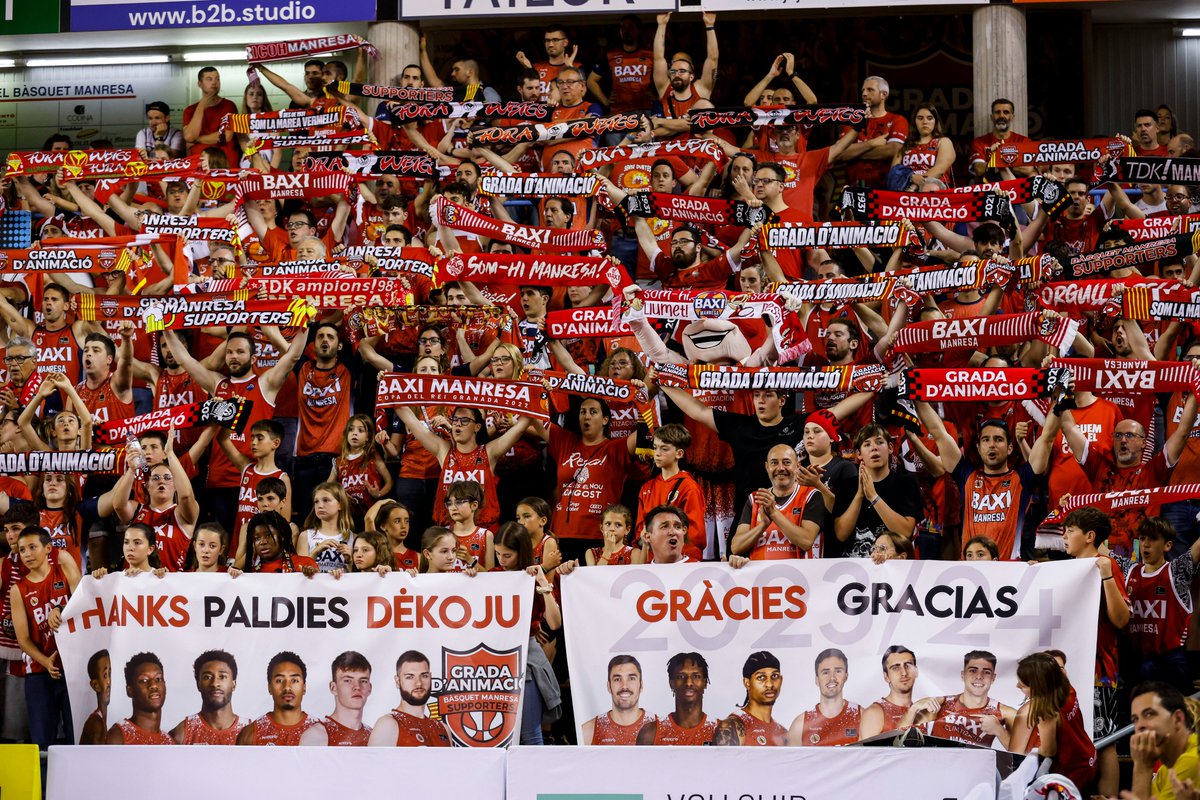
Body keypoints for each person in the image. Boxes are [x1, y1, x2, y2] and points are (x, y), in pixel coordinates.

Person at [1060, 506, 1130, 797]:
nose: (1064, 536)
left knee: (1105, 738)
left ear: (1089, 536)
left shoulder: (1106, 565)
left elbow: (1121, 619)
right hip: (1068, 668)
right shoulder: (1062, 568)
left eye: (1070, 531)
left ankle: (1110, 797)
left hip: (1098, 669)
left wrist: (1108, 577)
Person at [10, 526, 80, 749]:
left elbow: (84, 605)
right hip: (39, 673)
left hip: (72, 668)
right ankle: (42, 784)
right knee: (41, 742)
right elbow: (22, 638)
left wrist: (60, 606)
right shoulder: (18, 589)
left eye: (32, 547)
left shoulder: (65, 571)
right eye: (22, 550)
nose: (27, 554)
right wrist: (45, 661)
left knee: (77, 735)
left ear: (48, 548)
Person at [1115, 516, 1200, 694]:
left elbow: (1197, 548)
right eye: (1143, 538)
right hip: (1135, 660)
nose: (1146, 544)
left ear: (1167, 546)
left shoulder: (1176, 571)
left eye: (1152, 539)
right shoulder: (1128, 569)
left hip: (1170, 660)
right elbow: (1093, 546)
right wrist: (1070, 508)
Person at [1009, 652, 1097, 789]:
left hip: (1071, 772)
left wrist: (1033, 752)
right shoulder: (1067, 687)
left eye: (1023, 685)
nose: (1017, 686)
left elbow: (1049, 750)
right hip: (1088, 757)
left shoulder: (1046, 711)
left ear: (1038, 687)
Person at [730, 443, 826, 560]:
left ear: (797, 466)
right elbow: (736, 547)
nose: (780, 468)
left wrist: (773, 513)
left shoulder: (811, 495)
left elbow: (806, 541)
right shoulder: (755, 498)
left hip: (798, 576)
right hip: (760, 576)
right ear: (767, 467)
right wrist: (763, 525)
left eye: (786, 462)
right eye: (774, 463)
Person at [911, 650, 1017, 749]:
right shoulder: (938, 704)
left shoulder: (1006, 713)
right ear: (963, 675)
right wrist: (913, 709)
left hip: (974, 767)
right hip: (937, 765)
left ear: (993, 678)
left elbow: (1025, 756)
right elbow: (902, 741)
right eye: (973, 670)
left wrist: (999, 731)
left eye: (986, 672)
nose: (979, 676)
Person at [1129, 682, 1199, 800]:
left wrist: (1142, 767)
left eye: (1149, 714)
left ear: (1178, 719)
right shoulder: (1167, 766)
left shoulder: (1191, 760)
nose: (1139, 725)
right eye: (1135, 719)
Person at [367, 650, 452, 747]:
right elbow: (374, 762)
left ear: (430, 677)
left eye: (424, 676)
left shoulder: (443, 728)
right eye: (410, 677)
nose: (419, 683)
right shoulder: (388, 725)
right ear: (398, 681)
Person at [636, 652, 716, 745]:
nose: (689, 682)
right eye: (681, 676)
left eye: (696, 676)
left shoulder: (719, 731)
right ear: (671, 683)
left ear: (705, 682)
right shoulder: (650, 733)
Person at [237, 651, 316, 745]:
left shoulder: (320, 731)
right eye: (279, 680)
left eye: (294, 680)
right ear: (269, 687)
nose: (287, 687)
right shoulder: (250, 734)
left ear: (304, 687)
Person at [789, 648, 861, 747]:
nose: (832, 677)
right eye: (825, 672)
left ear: (846, 676)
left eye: (838, 671)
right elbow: (791, 761)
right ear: (817, 679)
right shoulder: (800, 725)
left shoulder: (861, 716)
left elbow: (873, 760)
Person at [712, 651, 787, 746]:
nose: (770, 684)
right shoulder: (732, 726)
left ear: (781, 680)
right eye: (761, 677)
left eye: (774, 676)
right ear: (747, 683)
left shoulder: (784, 733)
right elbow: (720, 760)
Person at [169, 650, 244, 745]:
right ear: (198, 684)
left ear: (234, 684)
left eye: (222, 676)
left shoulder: (249, 733)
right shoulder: (180, 735)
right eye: (207, 677)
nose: (215, 683)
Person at [300, 651, 374, 746]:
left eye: (363, 681)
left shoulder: (372, 735)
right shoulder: (317, 735)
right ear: (333, 688)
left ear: (370, 688)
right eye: (348, 680)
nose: (357, 687)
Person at [581, 655, 652, 746]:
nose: (624, 686)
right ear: (608, 686)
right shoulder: (587, 731)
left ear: (641, 685)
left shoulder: (660, 727)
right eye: (617, 679)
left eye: (631, 678)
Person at [106, 652, 173, 744]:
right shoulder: (119, 736)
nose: (153, 685)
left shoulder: (169, 742)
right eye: (144, 680)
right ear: (130, 690)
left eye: (158, 679)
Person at [859, 646, 920, 740]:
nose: (904, 672)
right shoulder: (874, 713)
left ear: (916, 671)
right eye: (895, 668)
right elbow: (865, 754)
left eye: (908, 665)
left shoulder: (922, 712)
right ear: (886, 676)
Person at [182, 67, 238, 165]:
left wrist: (197, 140)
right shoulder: (190, 110)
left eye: (217, 79)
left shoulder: (229, 105)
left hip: (225, 164)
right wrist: (203, 102)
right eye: (209, 79)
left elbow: (225, 136)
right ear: (200, 84)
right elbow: (189, 136)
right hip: (198, 165)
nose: (214, 82)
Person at [298, 482, 355, 573]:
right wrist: (315, 552)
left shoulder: (353, 538)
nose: (320, 506)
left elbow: (359, 575)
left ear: (340, 505)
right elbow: (299, 571)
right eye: (316, 501)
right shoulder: (305, 536)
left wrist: (350, 561)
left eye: (326, 500)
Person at [78, 649, 111, 745]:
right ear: (95, 685)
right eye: (105, 675)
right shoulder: (96, 723)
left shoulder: (104, 719)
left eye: (110, 673)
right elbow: (97, 758)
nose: (109, 681)